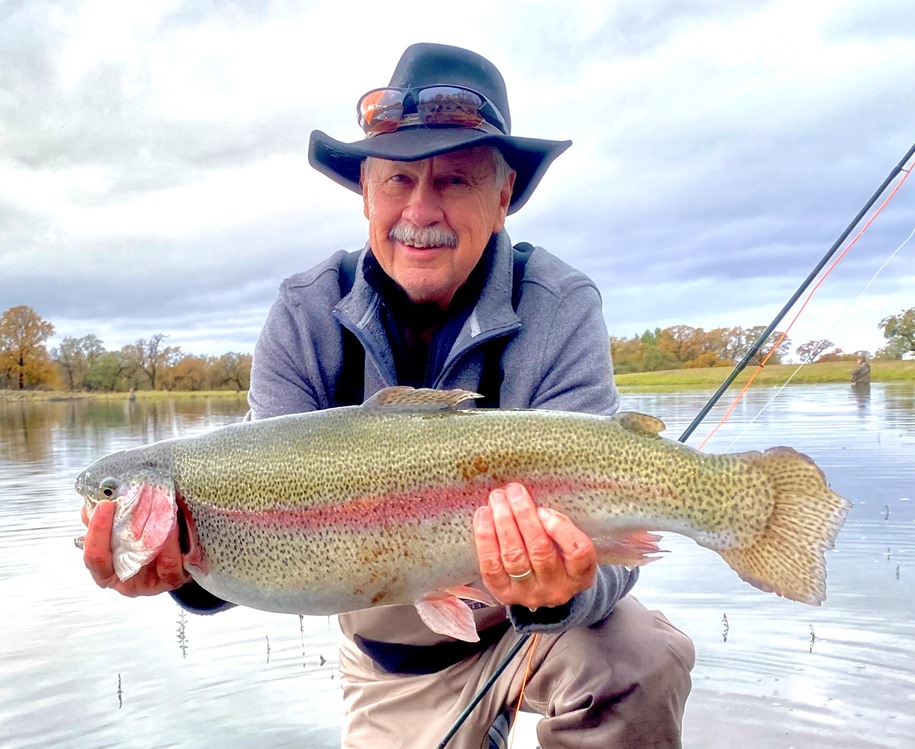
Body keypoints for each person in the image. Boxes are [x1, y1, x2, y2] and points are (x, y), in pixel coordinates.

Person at [80, 43, 695, 748]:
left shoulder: (560, 306)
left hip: (546, 635)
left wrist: (563, 588)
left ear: (502, 197)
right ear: (366, 193)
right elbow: (274, 555)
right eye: (398, 179)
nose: (419, 210)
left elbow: (614, 551)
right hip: (393, 670)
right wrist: (184, 571)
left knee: (643, 655)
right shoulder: (305, 314)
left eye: (455, 180)